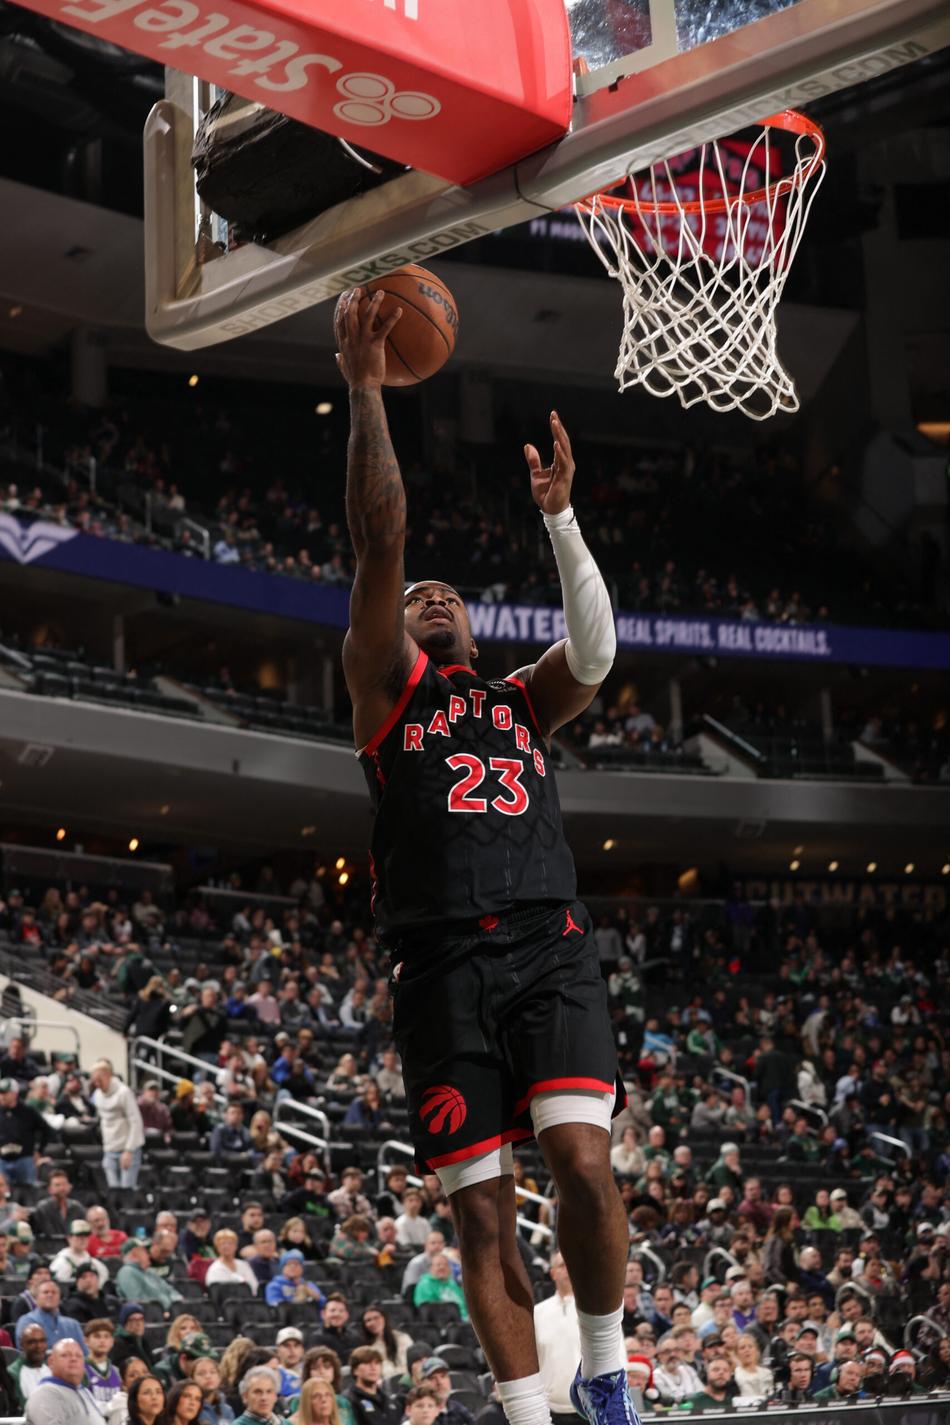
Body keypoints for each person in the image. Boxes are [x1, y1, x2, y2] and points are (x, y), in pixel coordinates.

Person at [338, 291, 629, 1425]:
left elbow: (595, 653)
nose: (431, 598)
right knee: (479, 1213)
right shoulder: (385, 693)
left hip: (548, 943)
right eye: (418, 599)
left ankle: (603, 1371)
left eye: (448, 596)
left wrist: (560, 520)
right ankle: (524, 1414)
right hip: (441, 963)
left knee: (584, 1165)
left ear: (474, 628)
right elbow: (382, 538)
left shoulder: (519, 698)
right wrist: (367, 387)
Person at [532, 1254, 581, 1425]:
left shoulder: (594, 1309)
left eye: (572, 1265)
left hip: (590, 1408)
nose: (568, 1270)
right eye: (562, 1265)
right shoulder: (538, 1313)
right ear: (553, 1273)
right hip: (550, 1411)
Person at [89, 1062, 145, 1191]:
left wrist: (129, 1151)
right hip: (109, 1150)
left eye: (99, 1079)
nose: (97, 1084)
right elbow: (104, 1122)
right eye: (94, 1081)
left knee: (126, 1191)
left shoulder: (124, 1093)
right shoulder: (97, 1095)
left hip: (127, 1150)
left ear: (108, 1075)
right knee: (112, 1192)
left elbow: (136, 1122)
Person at [25, 1339, 104, 1425]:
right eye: (65, 1355)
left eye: (78, 1356)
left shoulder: (85, 1391)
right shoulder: (44, 1394)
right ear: (51, 1362)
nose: (74, 1359)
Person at [0, 1077, 49, 1186]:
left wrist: (39, 1151)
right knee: (3, 1192)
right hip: (2, 1160)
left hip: (24, 1159)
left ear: (14, 1094)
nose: (2, 1096)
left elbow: (46, 1129)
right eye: (0, 1093)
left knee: (29, 1190)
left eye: (5, 1093)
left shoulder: (28, 1111)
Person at [16, 1280, 87, 1352]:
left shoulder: (73, 1325)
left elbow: (85, 1353)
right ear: (36, 1298)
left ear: (60, 1298)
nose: (50, 1295)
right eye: (45, 1292)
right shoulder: (27, 1322)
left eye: (54, 1292)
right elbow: (28, 1353)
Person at [116, 1241, 183, 1313]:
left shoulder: (149, 1272)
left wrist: (177, 1302)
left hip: (168, 1312)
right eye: (144, 1251)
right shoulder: (127, 1272)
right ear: (134, 1254)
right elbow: (138, 1301)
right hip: (152, 1315)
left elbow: (169, 1289)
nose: (148, 1255)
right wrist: (163, 1309)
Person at [345, 1348, 401, 1425]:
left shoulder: (390, 1402)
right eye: (367, 1363)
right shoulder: (348, 1401)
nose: (373, 1368)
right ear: (355, 1370)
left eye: (377, 1363)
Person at [358, 1306, 412, 1381]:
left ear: (384, 1318)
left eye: (376, 1318)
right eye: (368, 1320)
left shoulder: (402, 1338)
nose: (373, 1322)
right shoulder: (366, 1348)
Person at [84, 1320, 123, 1422]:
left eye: (106, 1336)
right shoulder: (81, 1370)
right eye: (97, 1336)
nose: (102, 1340)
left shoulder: (117, 1372)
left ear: (112, 1341)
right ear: (86, 1341)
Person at [412, 1254, 468, 1320]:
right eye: (438, 1265)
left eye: (446, 1265)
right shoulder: (425, 1284)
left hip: (466, 1320)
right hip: (447, 1322)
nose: (442, 1267)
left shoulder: (452, 1283)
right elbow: (427, 1311)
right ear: (430, 1268)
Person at [31, 1169, 86, 1237]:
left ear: (69, 1186)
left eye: (64, 1184)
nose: (62, 1188)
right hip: (51, 1243)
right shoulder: (43, 1208)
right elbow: (48, 1233)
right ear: (50, 1189)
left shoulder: (77, 1207)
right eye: (57, 1185)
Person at [10, 1323, 52, 1406]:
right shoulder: (13, 1373)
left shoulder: (53, 1369)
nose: (39, 1346)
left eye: (42, 1341)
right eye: (32, 1342)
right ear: (22, 1345)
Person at [186, 1357, 234, 1425]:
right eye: (201, 1373)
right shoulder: (189, 1409)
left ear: (219, 1378)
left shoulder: (227, 1410)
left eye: (212, 1372)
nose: (208, 1376)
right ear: (192, 1379)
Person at [111, 1307, 155, 1374]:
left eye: (141, 1319)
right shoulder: (118, 1344)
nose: (139, 1323)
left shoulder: (143, 1341)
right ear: (125, 1324)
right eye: (133, 1320)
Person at [732, 1333, 772, 1399]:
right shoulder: (735, 1375)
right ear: (737, 1354)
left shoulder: (767, 1373)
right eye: (742, 1348)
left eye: (750, 1346)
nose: (747, 1350)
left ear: (756, 1351)